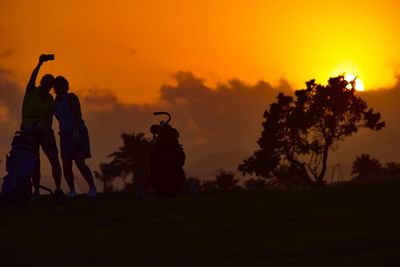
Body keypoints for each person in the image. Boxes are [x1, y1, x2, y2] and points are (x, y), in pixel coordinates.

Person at [21, 54, 63, 199]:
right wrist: (39, 64)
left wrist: (45, 135)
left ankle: (58, 188)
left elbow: (49, 118)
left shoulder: (50, 99)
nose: (48, 86)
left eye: (50, 84)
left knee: (54, 159)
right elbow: (32, 77)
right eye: (46, 83)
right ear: (41, 82)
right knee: (35, 161)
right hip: (29, 131)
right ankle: (36, 190)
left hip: (44, 130)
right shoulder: (31, 91)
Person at [53, 76, 97, 197]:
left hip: (77, 132)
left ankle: (92, 188)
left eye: (61, 85)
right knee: (66, 164)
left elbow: (78, 114)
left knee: (79, 161)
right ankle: (72, 190)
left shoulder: (71, 97)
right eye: (56, 86)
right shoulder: (55, 102)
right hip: (65, 134)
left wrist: (76, 131)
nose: (58, 88)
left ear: (66, 86)